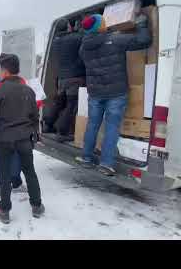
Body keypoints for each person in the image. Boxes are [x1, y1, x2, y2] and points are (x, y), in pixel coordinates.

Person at [76, 13, 151, 176]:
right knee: (112, 127)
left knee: (93, 125)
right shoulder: (115, 40)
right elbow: (144, 41)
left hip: (95, 92)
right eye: (103, 22)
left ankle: (86, 158)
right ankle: (106, 163)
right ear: (100, 26)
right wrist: (142, 24)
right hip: (116, 93)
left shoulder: (83, 48)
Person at [0, 54, 44, 223]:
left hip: (5, 139)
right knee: (30, 171)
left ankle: (5, 210)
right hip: (24, 139)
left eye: (0, 69)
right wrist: (35, 134)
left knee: (5, 174)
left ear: (4, 71)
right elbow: (35, 116)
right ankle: (37, 206)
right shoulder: (28, 91)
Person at [42, 18, 86, 142]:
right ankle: (62, 130)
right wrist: (81, 28)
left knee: (60, 102)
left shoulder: (55, 41)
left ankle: (48, 124)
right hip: (75, 78)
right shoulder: (76, 38)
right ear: (68, 27)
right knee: (72, 105)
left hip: (62, 79)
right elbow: (84, 36)